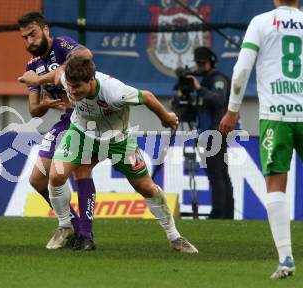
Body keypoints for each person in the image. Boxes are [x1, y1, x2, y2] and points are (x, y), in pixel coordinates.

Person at [45, 55, 199, 253]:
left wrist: (166, 117)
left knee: (145, 187)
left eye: (77, 87)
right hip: (81, 133)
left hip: (118, 140)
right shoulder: (66, 78)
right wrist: (37, 80)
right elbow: (57, 74)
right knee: (56, 175)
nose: (71, 91)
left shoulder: (115, 91)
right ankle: (66, 226)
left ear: (91, 80)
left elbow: (148, 97)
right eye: (70, 86)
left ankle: (174, 237)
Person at [219, 0, 303, 279]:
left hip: (276, 116)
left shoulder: (261, 22)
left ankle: (286, 258)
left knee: (276, 182)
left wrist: (232, 111)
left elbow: (241, 71)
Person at [17, 12, 97, 250]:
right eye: (24, 38)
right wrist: (45, 104)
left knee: (80, 170)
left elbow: (85, 55)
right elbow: (34, 110)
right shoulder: (32, 66)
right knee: (37, 179)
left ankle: (85, 236)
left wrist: (42, 78)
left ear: (45, 30)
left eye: (33, 34)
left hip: (88, 116)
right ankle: (70, 224)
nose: (29, 41)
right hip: (65, 119)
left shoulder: (61, 45)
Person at [186, 46, 234, 219]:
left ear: (211, 62)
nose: (199, 66)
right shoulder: (206, 80)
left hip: (217, 131)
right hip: (210, 131)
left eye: (202, 63)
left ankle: (217, 214)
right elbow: (201, 108)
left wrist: (198, 88)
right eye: (197, 63)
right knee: (221, 173)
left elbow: (218, 99)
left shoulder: (218, 79)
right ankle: (227, 215)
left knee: (215, 173)